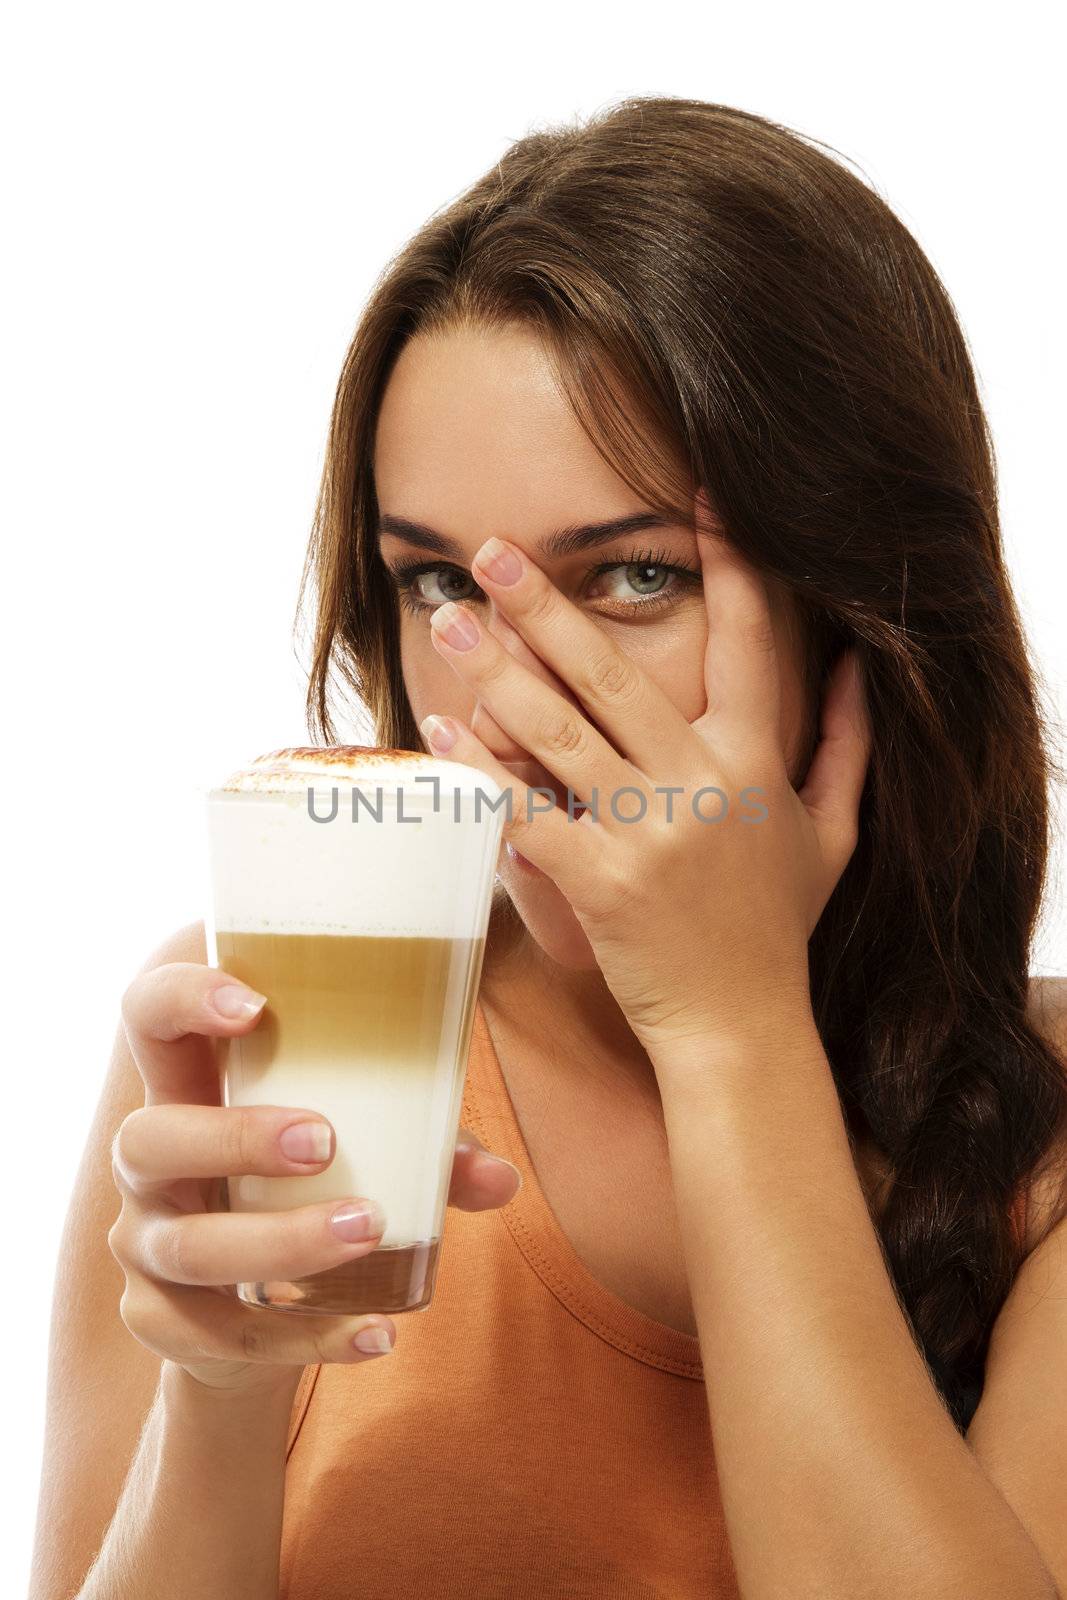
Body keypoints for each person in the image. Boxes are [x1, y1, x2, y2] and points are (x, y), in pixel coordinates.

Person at [30, 96, 1067, 1600]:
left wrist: (728, 1029)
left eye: (635, 576)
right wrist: (222, 1391)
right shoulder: (266, 1023)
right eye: (441, 581)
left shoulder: (1040, 1139)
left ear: (864, 609)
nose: (506, 692)